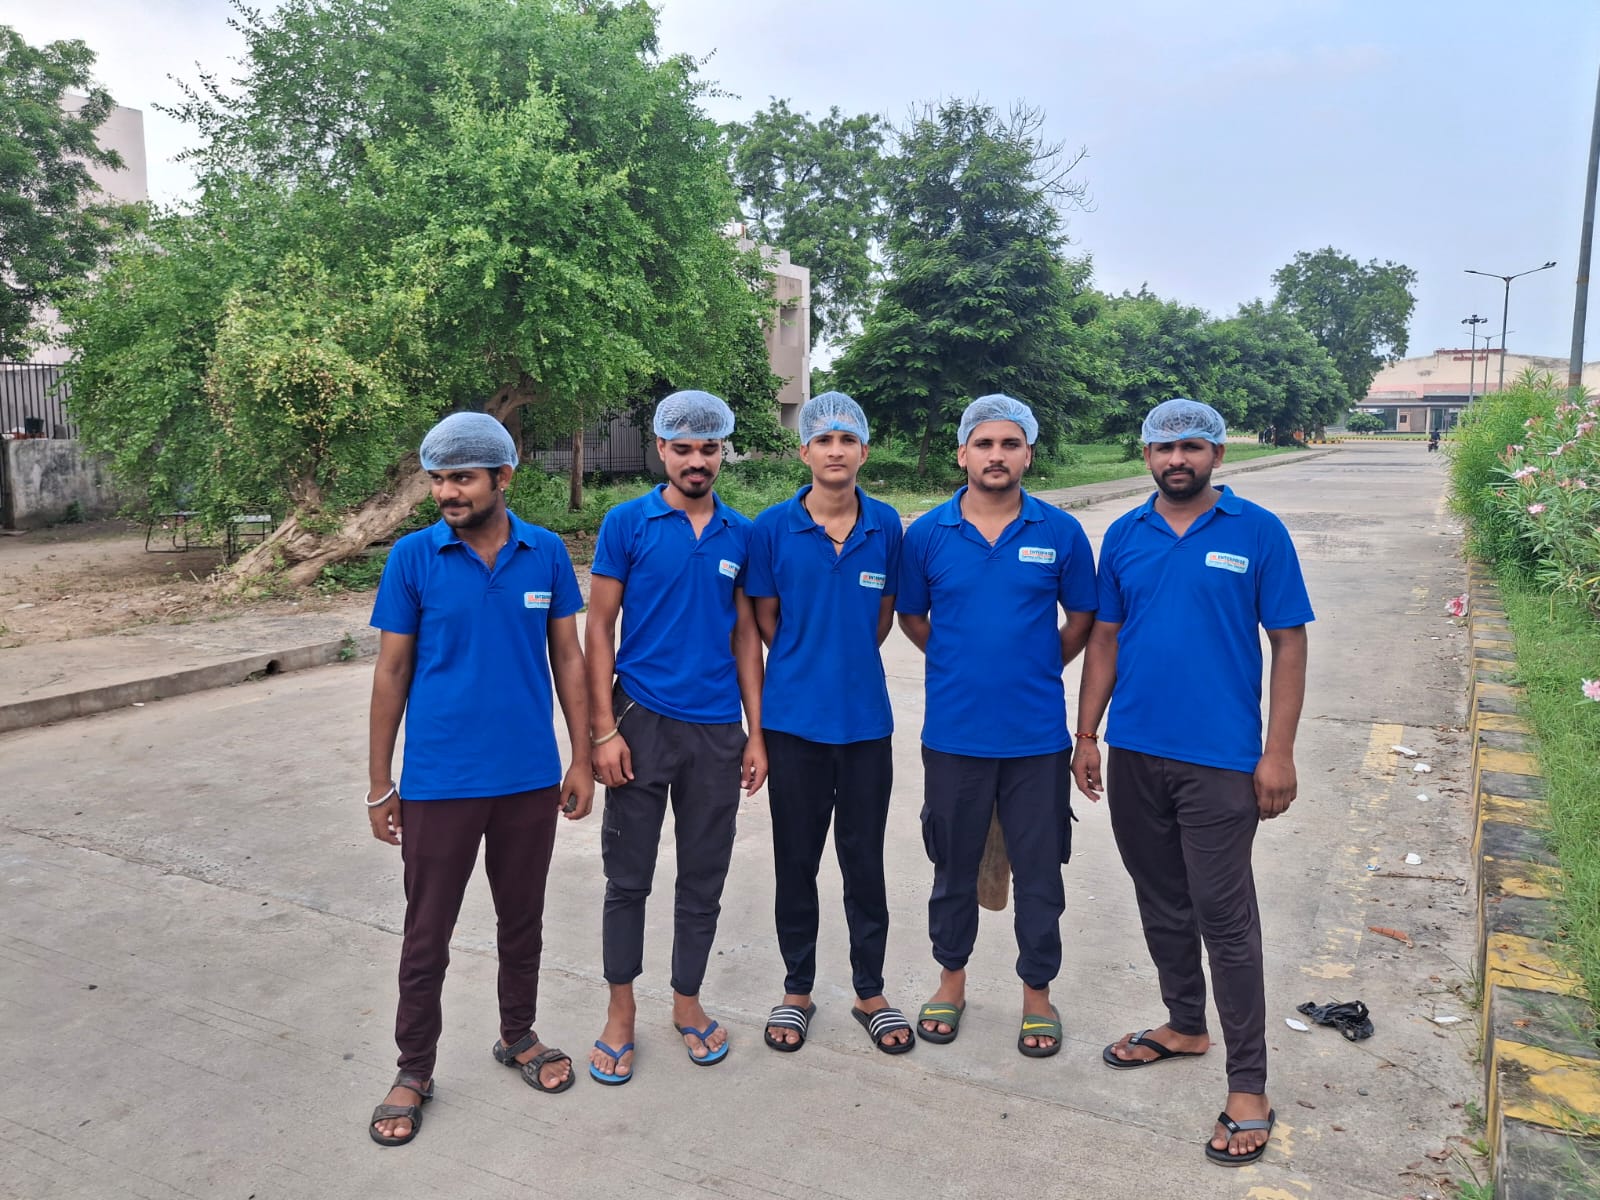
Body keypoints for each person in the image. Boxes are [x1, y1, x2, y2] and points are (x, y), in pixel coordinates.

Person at [1072, 397, 1312, 1168]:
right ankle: (1184, 1024)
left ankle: (1249, 1086)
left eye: (1192, 446)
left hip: (1222, 760)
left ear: (1217, 455)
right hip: (1137, 751)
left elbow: (1289, 643)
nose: (1177, 459)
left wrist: (1278, 753)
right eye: (1163, 447)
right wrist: (1087, 735)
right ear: (1145, 455)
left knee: (1225, 915)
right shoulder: (1125, 535)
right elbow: (1105, 639)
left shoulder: (1258, 532)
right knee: (1161, 898)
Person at [365, 411, 592, 1148]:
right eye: (437, 479)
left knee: (522, 919)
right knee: (426, 932)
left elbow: (568, 658)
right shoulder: (414, 557)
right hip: (439, 781)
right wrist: (380, 781)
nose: (446, 493)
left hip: (528, 778)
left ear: (503, 477)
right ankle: (414, 1068)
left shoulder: (545, 552)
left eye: (461, 477)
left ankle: (518, 1034)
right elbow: (392, 671)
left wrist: (581, 757)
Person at [896, 394, 1097, 1058]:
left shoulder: (1059, 532)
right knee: (952, 866)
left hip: (1036, 739)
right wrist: (958, 661)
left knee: (1040, 872)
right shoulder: (928, 534)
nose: (996, 455)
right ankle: (951, 981)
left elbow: (1083, 618)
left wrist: (1039, 664)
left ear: (1027, 454)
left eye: (1010, 444)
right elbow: (913, 617)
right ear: (963, 454)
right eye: (984, 444)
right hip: (954, 736)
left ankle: (1037, 992)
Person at [585, 389, 767, 1084]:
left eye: (709, 449)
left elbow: (746, 635)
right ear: (661, 448)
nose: (697, 461)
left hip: (716, 729)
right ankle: (620, 1011)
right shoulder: (627, 523)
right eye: (683, 448)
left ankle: (687, 1002)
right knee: (627, 877)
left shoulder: (741, 534)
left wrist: (755, 732)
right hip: (640, 720)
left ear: (722, 452)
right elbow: (599, 627)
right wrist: (603, 728)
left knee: (703, 876)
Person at [744, 392, 913, 1056]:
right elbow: (766, 621)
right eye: (824, 439)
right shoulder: (771, 529)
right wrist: (808, 661)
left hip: (866, 723)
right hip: (793, 724)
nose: (835, 450)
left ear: (864, 451)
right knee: (796, 861)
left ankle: (870, 991)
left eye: (848, 439)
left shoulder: (886, 525)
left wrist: (842, 661)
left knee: (864, 861)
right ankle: (797, 990)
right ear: (804, 451)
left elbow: (882, 617)